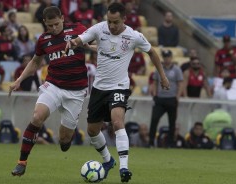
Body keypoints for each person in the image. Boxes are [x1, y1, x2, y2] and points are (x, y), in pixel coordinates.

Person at [66, 2, 169, 182]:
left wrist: (162, 76)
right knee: (92, 130)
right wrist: (74, 42)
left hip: (119, 86)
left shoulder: (134, 36)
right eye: (109, 21)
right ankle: (108, 160)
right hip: (99, 88)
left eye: (115, 22)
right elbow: (81, 39)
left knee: (117, 121)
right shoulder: (99, 29)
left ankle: (124, 168)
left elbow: (152, 53)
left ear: (124, 19)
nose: (112, 26)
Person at [9, 6, 89, 177]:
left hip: (76, 91)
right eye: (49, 25)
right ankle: (21, 162)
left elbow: (97, 42)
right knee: (37, 116)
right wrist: (19, 80)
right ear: (44, 23)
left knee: (64, 140)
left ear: (62, 18)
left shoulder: (78, 30)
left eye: (56, 24)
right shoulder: (43, 40)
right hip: (53, 85)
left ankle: (66, 139)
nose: (53, 29)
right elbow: (35, 62)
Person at [149, 49, 183, 147]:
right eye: (165, 57)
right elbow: (155, 82)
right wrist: (155, 94)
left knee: (172, 122)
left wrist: (177, 97)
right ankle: (151, 141)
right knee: (154, 119)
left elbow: (180, 83)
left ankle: (170, 143)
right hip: (160, 98)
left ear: (171, 58)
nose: (167, 59)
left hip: (171, 98)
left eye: (168, 57)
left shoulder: (177, 69)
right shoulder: (159, 68)